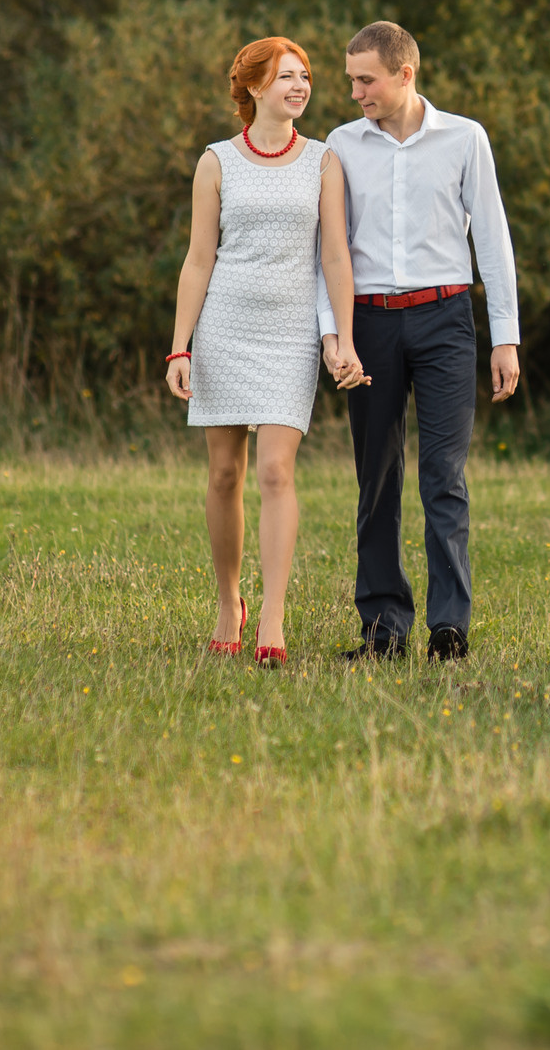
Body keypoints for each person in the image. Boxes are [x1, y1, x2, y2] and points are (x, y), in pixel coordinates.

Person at [318, 21, 520, 662]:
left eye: (366, 80)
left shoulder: (465, 138)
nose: (355, 93)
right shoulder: (340, 147)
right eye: (351, 80)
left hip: (446, 323)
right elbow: (328, 252)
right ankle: (382, 628)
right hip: (369, 325)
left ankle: (449, 626)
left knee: (443, 475)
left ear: (405, 74)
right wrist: (335, 335)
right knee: (375, 477)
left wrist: (505, 338)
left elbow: (492, 238)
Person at [166, 37, 366, 668]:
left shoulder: (324, 161)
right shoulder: (217, 161)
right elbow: (199, 259)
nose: (300, 86)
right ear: (253, 88)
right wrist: (180, 348)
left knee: (276, 472)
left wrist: (345, 337)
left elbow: (335, 256)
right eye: (286, 76)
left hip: (290, 335)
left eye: (305, 76)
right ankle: (230, 603)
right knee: (224, 475)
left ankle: (272, 618)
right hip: (224, 327)